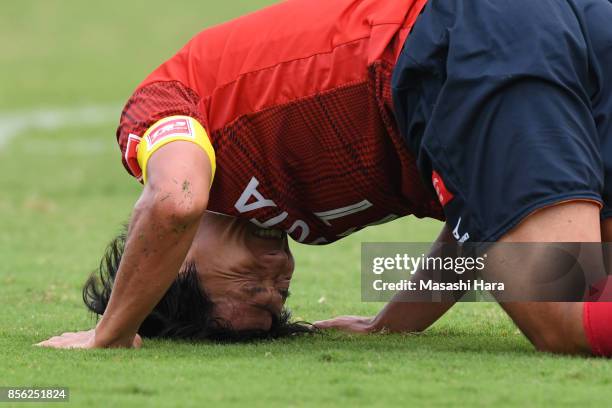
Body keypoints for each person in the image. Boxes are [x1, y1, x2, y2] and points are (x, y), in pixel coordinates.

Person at [38, 0, 612, 357]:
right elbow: (478, 218)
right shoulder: (311, 222)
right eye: (279, 294)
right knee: (597, 274)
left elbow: (174, 202)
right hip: (567, 29)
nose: (277, 274)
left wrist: (110, 334)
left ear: (174, 266)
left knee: (560, 310)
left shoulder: (168, 106)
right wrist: (392, 323)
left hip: (462, 34)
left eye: (247, 286)